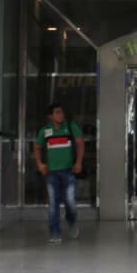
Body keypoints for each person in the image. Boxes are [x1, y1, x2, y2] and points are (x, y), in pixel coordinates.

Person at [34, 103, 84, 244]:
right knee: (53, 204)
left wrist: (78, 162)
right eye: (57, 112)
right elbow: (37, 147)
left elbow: (80, 144)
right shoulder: (45, 131)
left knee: (71, 202)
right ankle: (55, 232)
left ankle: (72, 221)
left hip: (68, 172)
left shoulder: (70, 127)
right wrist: (40, 164)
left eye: (61, 112)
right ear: (50, 116)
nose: (61, 115)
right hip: (51, 173)